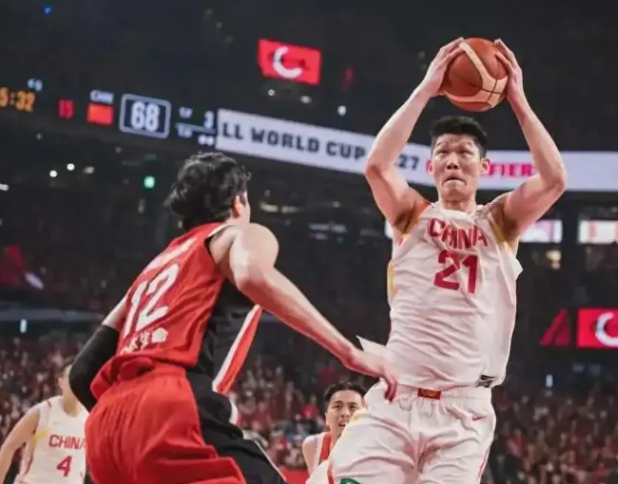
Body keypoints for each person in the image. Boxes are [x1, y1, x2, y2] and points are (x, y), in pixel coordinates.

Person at [317, 38, 566, 484]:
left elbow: (553, 180)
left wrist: (518, 102)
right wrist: (426, 89)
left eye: (464, 153)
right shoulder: (411, 215)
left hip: (462, 410)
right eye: (443, 153)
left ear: (484, 168)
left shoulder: (500, 222)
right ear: (430, 167)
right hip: (397, 397)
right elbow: (377, 166)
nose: (452, 161)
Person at [67, 152, 396, 484]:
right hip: (171, 405)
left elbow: (82, 373)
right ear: (240, 203)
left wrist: (131, 424)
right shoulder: (236, 234)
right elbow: (253, 276)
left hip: (106, 433)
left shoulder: (150, 272)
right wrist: (348, 352)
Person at [0, 360, 88, 484]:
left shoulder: (90, 417)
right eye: (71, 377)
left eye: (79, 377)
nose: (76, 382)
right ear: (61, 382)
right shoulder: (43, 412)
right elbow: (9, 446)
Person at [302, 382, 366, 475]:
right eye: (338, 406)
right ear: (327, 417)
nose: (345, 413)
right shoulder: (313, 446)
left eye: (352, 407)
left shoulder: (376, 453)